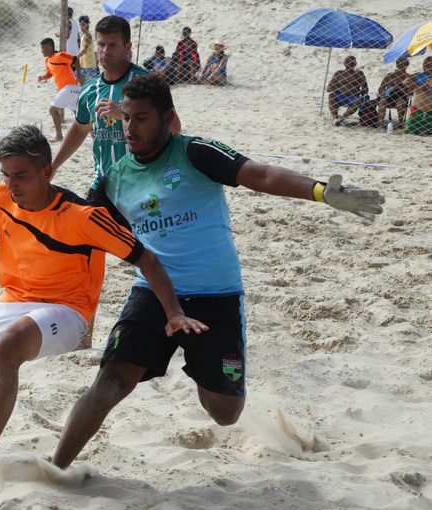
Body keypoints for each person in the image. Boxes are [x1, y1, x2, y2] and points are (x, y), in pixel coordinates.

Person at [49, 74, 385, 470]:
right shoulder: (115, 178)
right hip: (154, 294)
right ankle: (55, 469)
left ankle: (201, 363)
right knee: (110, 382)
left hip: (216, 296)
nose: (130, 128)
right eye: (125, 118)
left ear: (167, 118)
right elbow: (83, 231)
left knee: (224, 411)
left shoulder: (195, 152)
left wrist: (320, 191)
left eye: (140, 118)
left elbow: (260, 175)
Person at [0, 125, 206, 496]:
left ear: (47, 172)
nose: (12, 185)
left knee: (6, 348)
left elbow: (146, 259)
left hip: (68, 311)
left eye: (21, 176)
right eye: (6, 175)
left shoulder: (84, 216)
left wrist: (173, 312)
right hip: (14, 300)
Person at [51, 15, 181, 349]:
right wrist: (53, 166)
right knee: (86, 256)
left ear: (128, 46)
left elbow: (175, 128)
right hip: (105, 185)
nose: (105, 51)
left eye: (113, 45)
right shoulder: (90, 88)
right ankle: (84, 336)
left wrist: (123, 114)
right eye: (101, 44)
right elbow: (80, 128)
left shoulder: (146, 83)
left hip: (146, 183)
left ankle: (175, 323)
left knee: (158, 257)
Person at [38, 37, 80, 143]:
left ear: (50, 47)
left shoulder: (60, 55)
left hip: (70, 87)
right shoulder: (48, 60)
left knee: (53, 110)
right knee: (79, 114)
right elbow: (50, 74)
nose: (42, 51)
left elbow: (76, 59)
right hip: (69, 90)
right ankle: (94, 134)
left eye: (43, 48)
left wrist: (79, 77)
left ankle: (59, 136)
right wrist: (43, 77)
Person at [327, 55, 368, 126]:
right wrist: (342, 90)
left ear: (355, 64)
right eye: (348, 63)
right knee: (331, 95)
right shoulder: (339, 73)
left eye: (352, 63)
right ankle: (335, 118)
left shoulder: (359, 74)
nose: (350, 65)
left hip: (353, 97)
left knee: (359, 100)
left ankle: (341, 119)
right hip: (341, 95)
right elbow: (329, 88)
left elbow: (366, 89)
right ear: (344, 64)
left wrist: (356, 92)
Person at [377, 57, 411, 128]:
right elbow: (381, 88)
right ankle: (380, 123)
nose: (402, 67)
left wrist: (403, 89)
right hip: (389, 96)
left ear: (407, 66)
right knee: (382, 102)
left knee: (400, 103)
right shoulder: (390, 75)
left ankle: (400, 123)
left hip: (401, 96)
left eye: (404, 65)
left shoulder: (408, 77)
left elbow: (411, 92)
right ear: (397, 65)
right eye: (400, 65)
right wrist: (385, 93)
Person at [404, 56, 432, 136]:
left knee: (429, 131)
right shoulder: (418, 75)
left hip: (430, 108)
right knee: (411, 129)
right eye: (427, 65)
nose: (429, 67)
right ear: (423, 66)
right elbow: (405, 82)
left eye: (431, 65)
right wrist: (419, 87)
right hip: (418, 107)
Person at [77, 15, 97, 85]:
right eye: (80, 24)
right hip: (84, 64)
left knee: (90, 85)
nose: (81, 27)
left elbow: (85, 50)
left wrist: (76, 57)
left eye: (83, 24)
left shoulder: (88, 35)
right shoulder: (83, 35)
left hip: (89, 65)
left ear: (88, 24)